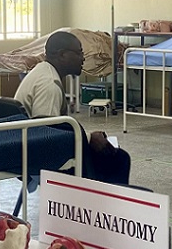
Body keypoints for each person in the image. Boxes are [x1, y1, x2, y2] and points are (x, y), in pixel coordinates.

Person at [15, 31, 131, 185]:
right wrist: (89, 139)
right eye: (79, 53)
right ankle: (102, 206)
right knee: (119, 159)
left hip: (24, 152)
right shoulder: (49, 85)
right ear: (62, 55)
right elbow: (47, 137)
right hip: (41, 161)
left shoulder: (40, 71)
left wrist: (88, 136)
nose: (83, 58)